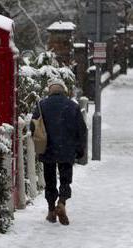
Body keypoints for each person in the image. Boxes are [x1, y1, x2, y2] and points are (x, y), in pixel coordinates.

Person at [31, 78, 87, 225]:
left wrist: (37, 144)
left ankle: (51, 211)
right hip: (67, 149)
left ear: (50, 90)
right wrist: (80, 150)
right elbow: (81, 130)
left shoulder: (42, 105)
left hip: (47, 148)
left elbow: (33, 126)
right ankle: (61, 202)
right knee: (65, 179)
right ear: (63, 90)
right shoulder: (72, 106)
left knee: (50, 180)